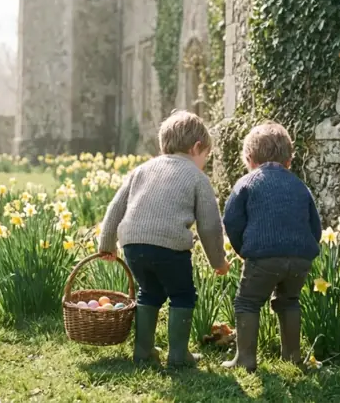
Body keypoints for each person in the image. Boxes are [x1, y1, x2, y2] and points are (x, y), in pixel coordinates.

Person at [97, 110, 230, 368]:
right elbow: (210, 227)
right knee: (182, 295)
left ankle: (143, 351)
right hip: (170, 247)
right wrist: (219, 261)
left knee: (150, 292)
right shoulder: (197, 178)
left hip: (133, 244)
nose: (205, 162)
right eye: (206, 156)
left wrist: (106, 244)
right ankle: (179, 355)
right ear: (197, 147)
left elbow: (116, 207)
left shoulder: (142, 170)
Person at [221, 122, 322, 372]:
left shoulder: (247, 182)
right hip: (300, 258)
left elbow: (231, 219)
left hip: (263, 257)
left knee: (247, 302)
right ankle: (292, 356)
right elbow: (315, 225)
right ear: (289, 160)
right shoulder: (300, 186)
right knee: (289, 301)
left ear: (249, 158)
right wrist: (302, 250)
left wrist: (243, 249)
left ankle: (245, 359)